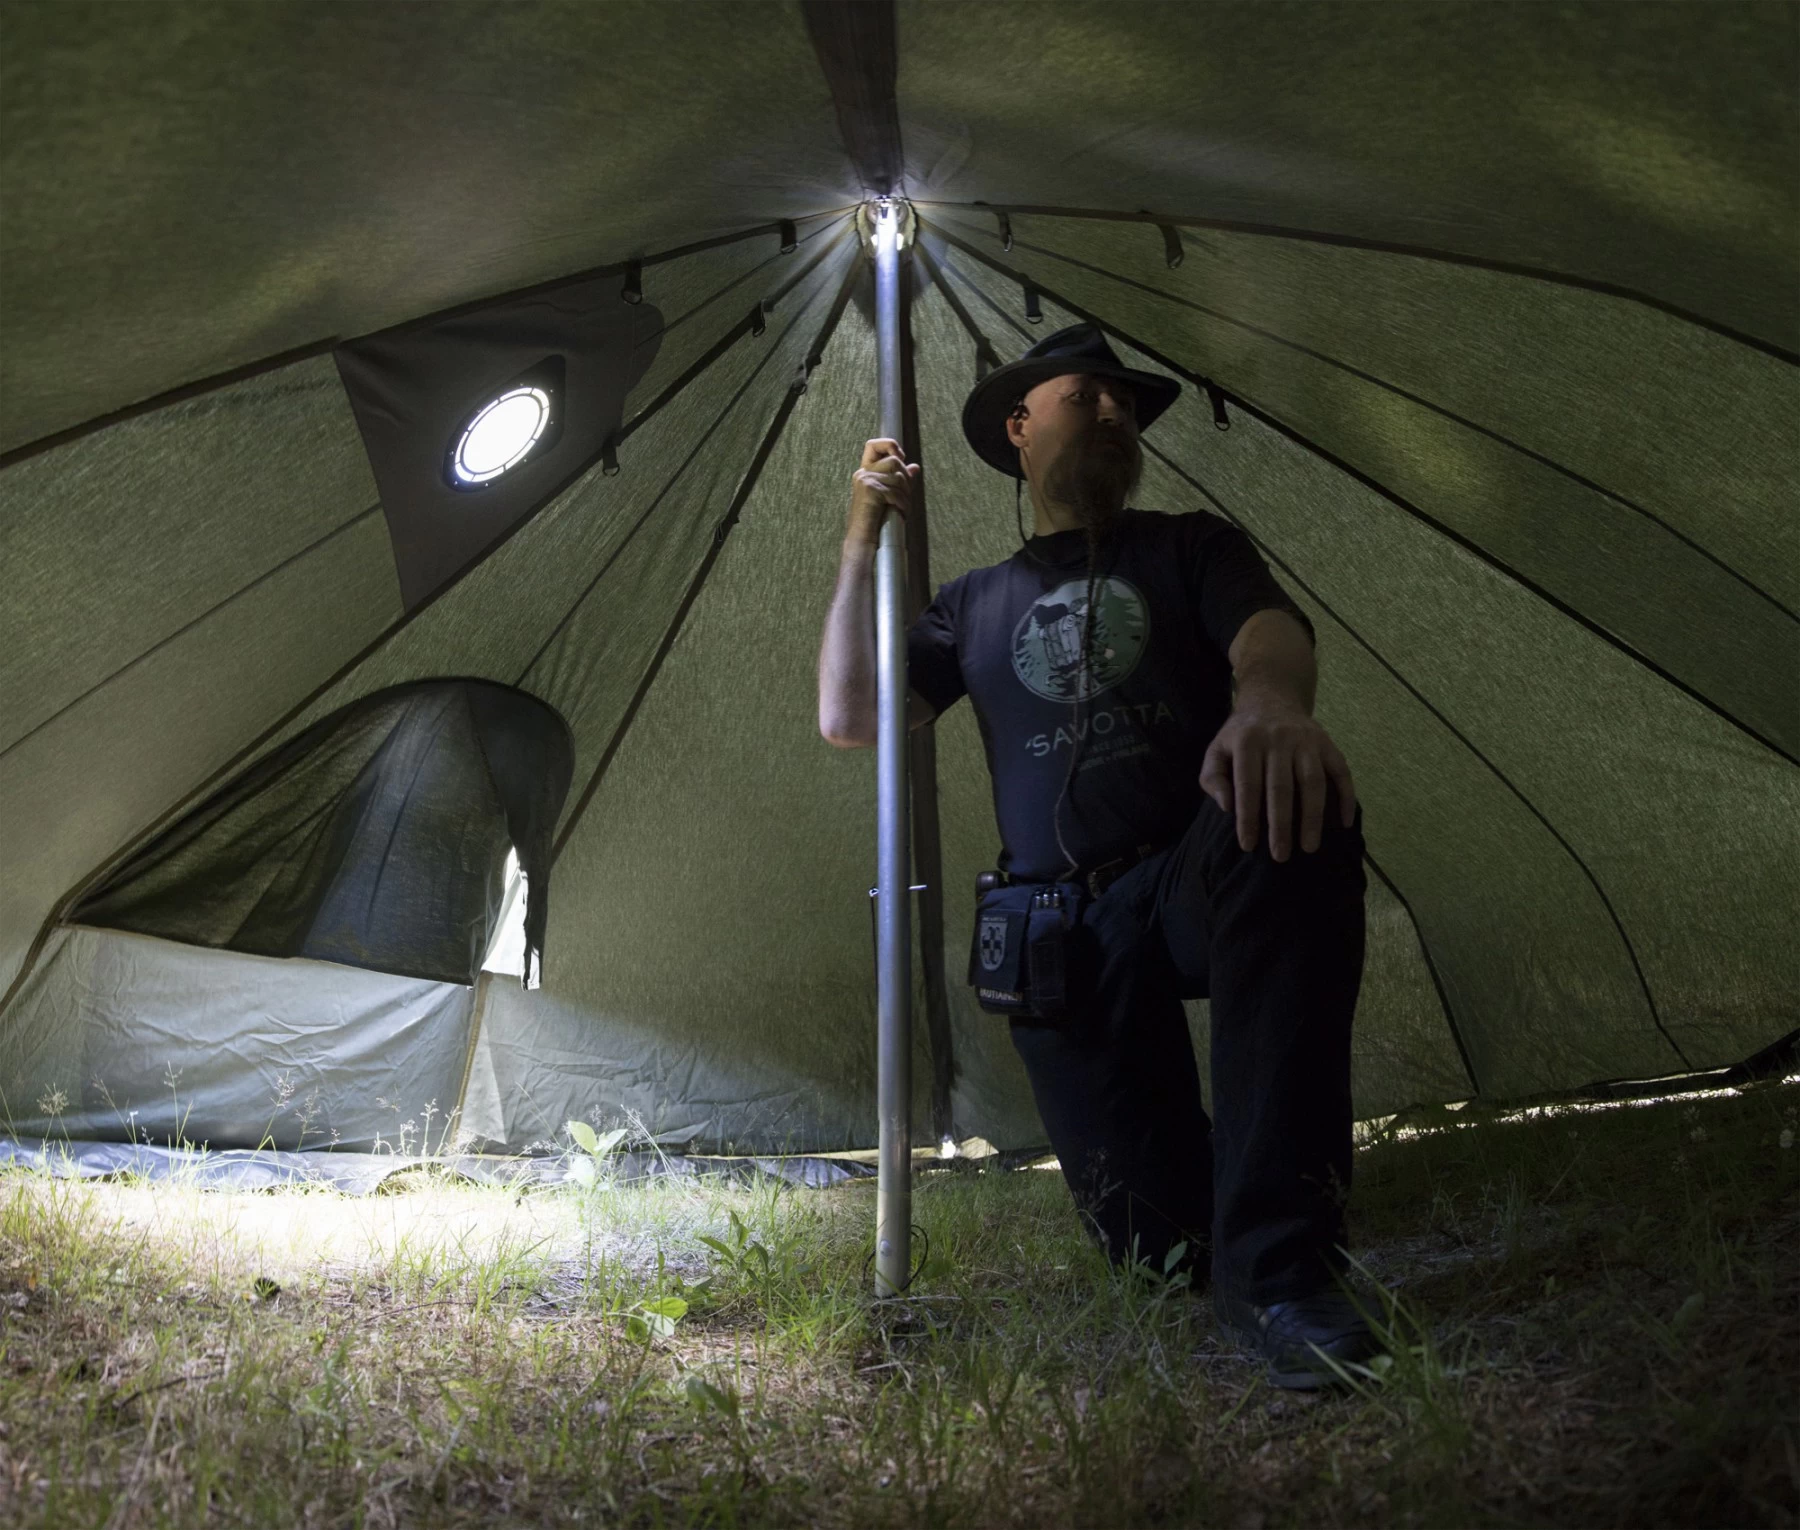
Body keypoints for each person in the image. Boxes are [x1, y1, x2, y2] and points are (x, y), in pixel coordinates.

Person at [817, 323, 1379, 1389]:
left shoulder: (1191, 548)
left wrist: (1269, 705)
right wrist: (860, 538)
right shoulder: (972, 603)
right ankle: (1216, 1208)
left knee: (1295, 812)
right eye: (1089, 396)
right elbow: (851, 715)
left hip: (1198, 872)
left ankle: (1284, 1275)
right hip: (1062, 930)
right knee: (1160, 1254)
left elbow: (1266, 631)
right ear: (1019, 428)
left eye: (1126, 401)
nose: (1115, 410)